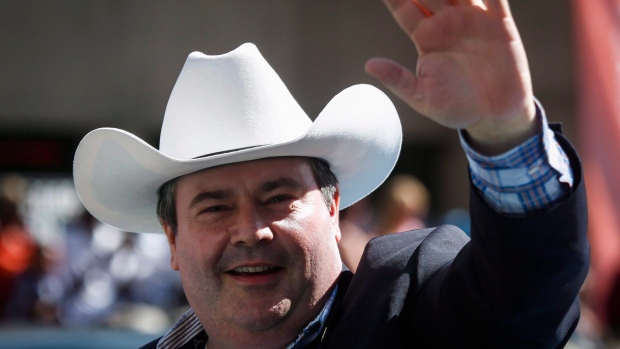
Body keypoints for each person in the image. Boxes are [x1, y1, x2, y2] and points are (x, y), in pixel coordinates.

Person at [72, 0, 589, 348]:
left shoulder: (408, 306)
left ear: (333, 206)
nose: (251, 230)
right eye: (214, 206)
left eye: (279, 197)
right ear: (171, 237)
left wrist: (505, 134)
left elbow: (520, 300)